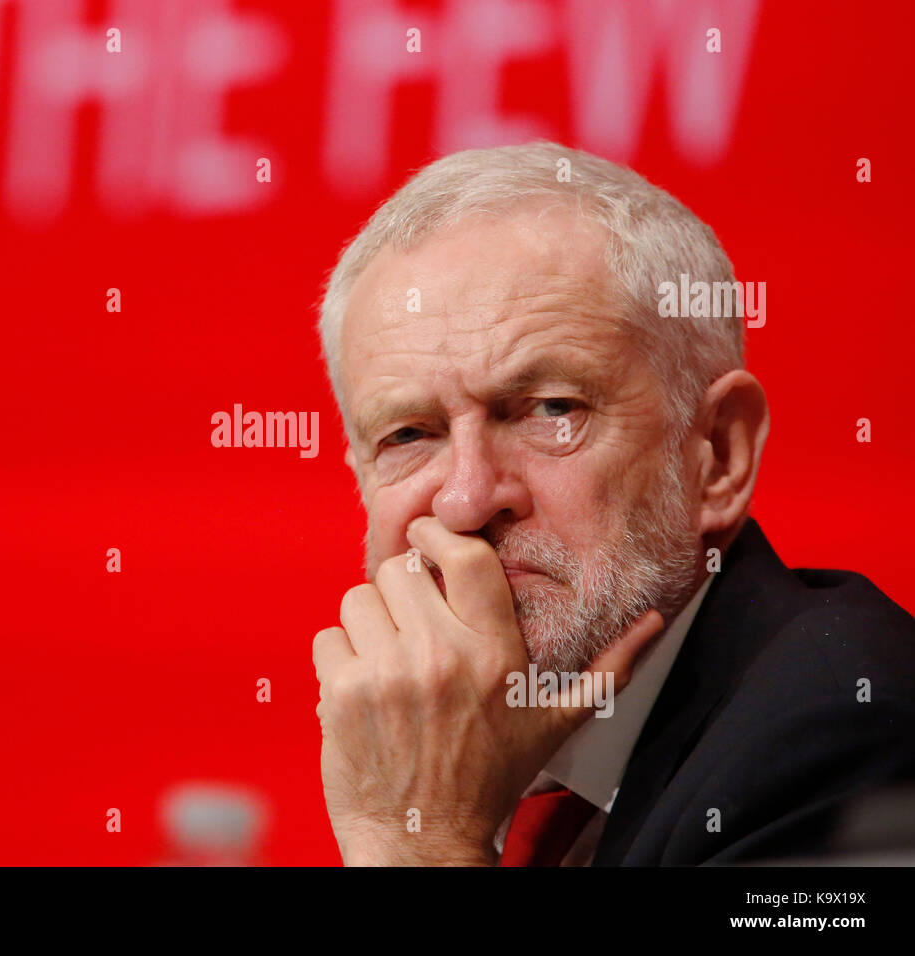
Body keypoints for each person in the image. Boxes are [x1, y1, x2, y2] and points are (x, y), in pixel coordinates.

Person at [311, 142, 915, 866]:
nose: (469, 499)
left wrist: (416, 841)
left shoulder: (852, 733)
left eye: (550, 410)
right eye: (409, 434)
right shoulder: (499, 762)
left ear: (718, 454)